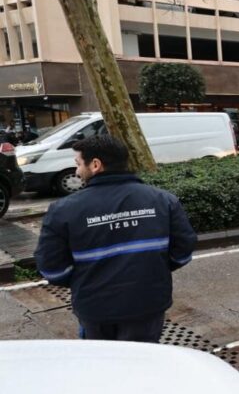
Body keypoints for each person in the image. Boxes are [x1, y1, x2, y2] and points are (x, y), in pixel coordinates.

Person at [34, 135, 197, 342]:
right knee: (143, 365)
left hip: (95, 309)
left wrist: (85, 281)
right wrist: (154, 269)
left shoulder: (63, 210)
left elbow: (51, 268)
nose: (76, 171)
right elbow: (183, 251)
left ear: (95, 165)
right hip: (148, 304)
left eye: (78, 164)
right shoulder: (163, 200)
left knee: (104, 367)